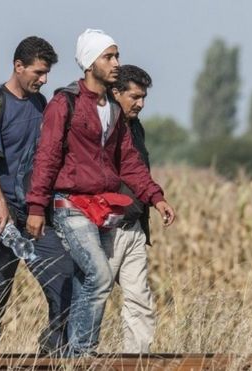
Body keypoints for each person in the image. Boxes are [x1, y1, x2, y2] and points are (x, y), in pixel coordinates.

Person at [26, 29, 176, 357]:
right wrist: (36, 207)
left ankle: (74, 353)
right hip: (71, 206)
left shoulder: (114, 109)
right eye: (109, 56)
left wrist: (156, 197)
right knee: (99, 273)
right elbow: (47, 157)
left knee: (87, 278)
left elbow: (130, 162)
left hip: (103, 207)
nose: (116, 63)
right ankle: (82, 353)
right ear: (89, 62)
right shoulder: (64, 103)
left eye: (117, 55)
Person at [0, 36, 74, 356]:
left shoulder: (40, 104)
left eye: (47, 73)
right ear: (18, 66)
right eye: (38, 72)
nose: (44, 79)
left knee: (65, 280)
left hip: (32, 213)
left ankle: (52, 350)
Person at [106, 64, 156, 353]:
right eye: (135, 96)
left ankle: (136, 361)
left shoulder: (136, 127)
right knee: (92, 298)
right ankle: (67, 357)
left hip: (134, 225)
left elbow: (139, 174)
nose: (141, 103)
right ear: (116, 93)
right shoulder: (100, 125)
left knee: (140, 300)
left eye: (143, 97)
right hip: (104, 228)